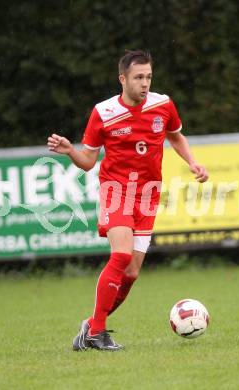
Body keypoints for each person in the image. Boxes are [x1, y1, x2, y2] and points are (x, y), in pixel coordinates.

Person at [47, 50, 208, 351]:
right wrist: (70, 150)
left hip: (148, 196)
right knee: (120, 256)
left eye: (148, 77)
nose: (144, 83)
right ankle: (97, 332)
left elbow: (176, 136)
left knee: (131, 273)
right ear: (123, 79)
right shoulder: (104, 113)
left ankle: (91, 326)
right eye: (138, 77)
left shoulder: (163, 105)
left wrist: (192, 162)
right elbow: (87, 161)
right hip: (116, 191)